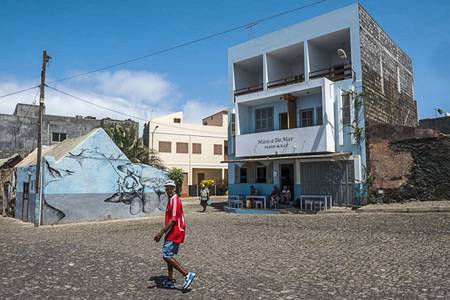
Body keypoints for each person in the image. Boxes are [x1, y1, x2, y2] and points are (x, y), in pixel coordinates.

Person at [154, 180, 196, 290]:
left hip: (175, 231)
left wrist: (160, 233)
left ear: (174, 189)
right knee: (169, 256)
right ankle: (170, 279)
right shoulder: (171, 200)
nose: (168, 190)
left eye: (170, 188)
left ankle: (187, 274)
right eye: (167, 188)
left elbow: (173, 220)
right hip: (171, 232)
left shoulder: (175, 200)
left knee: (166, 255)